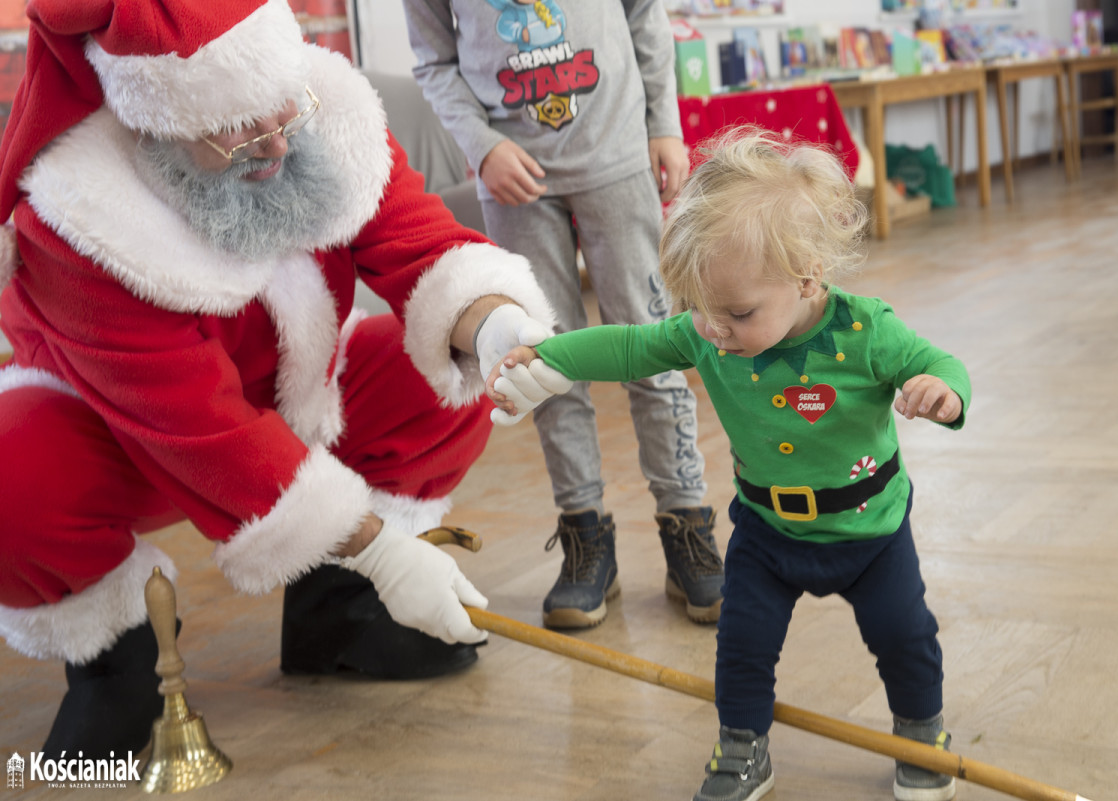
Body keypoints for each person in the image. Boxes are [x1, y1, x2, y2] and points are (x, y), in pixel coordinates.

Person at [0, 0, 559, 759]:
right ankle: (115, 659)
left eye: (278, 113)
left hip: (289, 394)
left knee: (434, 373)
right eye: (231, 132)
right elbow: (204, 434)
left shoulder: (317, 110)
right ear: (153, 122)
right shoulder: (80, 220)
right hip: (126, 438)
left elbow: (418, 242)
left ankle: (341, 609)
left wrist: (496, 327)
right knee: (12, 477)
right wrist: (384, 548)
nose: (269, 147)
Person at [488, 127, 971, 801]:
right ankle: (742, 745)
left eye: (738, 312)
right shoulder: (714, 329)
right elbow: (633, 346)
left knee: (906, 634)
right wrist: (554, 357)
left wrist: (945, 394)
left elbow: (940, 365)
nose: (713, 329)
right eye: (701, 309)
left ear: (809, 276)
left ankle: (920, 734)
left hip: (871, 533)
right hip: (769, 532)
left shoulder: (868, 332)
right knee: (742, 645)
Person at [403, 0, 724, 630]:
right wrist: (482, 145)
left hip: (618, 158)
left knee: (654, 348)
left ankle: (686, 524)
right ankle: (585, 537)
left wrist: (664, 122)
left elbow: (645, 19)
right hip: (515, 182)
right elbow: (435, 62)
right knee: (541, 360)